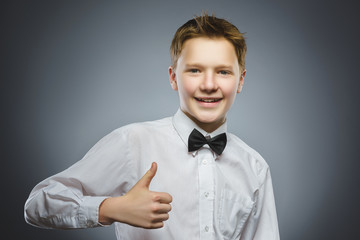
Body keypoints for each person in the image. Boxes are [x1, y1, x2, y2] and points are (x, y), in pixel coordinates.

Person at [24, 13, 280, 240]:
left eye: (223, 72)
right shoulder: (133, 142)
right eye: (194, 70)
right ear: (173, 77)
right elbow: (37, 204)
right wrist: (111, 208)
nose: (209, 84)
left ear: (241, 80)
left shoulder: (255, 168)